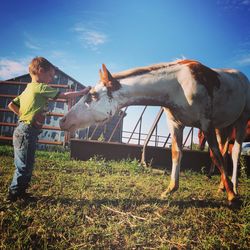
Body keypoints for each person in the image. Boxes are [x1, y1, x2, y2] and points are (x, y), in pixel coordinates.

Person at [7, 56, 91, 202]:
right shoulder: (40, 87)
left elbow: (11, 105)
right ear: (40, 71)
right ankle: (14, 194)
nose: (51, 79)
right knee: (24, 165)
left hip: (23, 129)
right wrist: (83, 92)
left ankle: (19, 192)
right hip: (27, 131)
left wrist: (24, 114)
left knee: (25, 163)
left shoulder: (28, 88)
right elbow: (64, 95)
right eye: (50, 75)